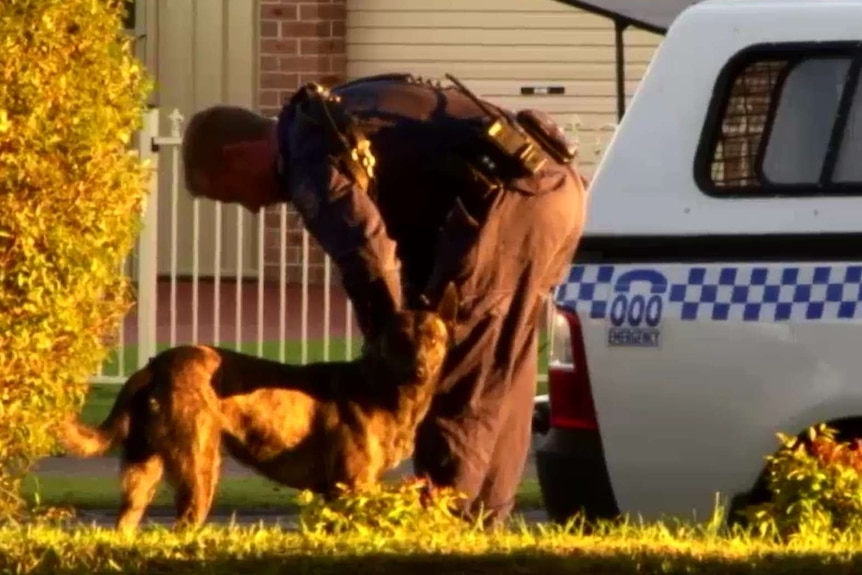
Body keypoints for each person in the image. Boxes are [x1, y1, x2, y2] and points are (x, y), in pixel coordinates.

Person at [180, 73, 588, 526]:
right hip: (553, 190)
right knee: (500, 368)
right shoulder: (340, 106)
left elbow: (365, 253)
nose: (253, 208)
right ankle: (484, 525)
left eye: (233, 196)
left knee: (448, 372)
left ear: (234, 157)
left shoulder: (308, 147)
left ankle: (442, 530)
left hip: (506, 203)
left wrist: (388, 343)